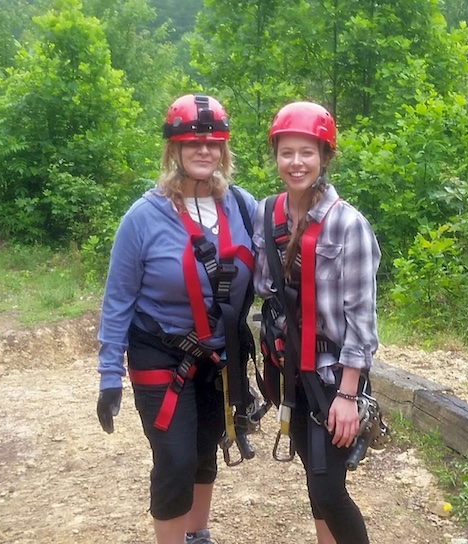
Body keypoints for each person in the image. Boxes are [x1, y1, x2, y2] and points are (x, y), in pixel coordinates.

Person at [96, 93, 257, 544]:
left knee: (205, 449)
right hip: (160, 354)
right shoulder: (143, 218)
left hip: (218, 356)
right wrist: (109, 375)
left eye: (212, 142)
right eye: (191, 142)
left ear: (223, 150)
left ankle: (197, 535)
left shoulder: (242, 207)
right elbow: (118, 300)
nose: (203, 150)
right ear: (174, 150)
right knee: (175, 460)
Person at [253, 101, 381, 544]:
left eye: (307, 152)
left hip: (331, 377)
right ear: (275, 157)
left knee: (329, 489)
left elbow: (361, 320)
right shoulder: (267, 215)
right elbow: (265, 290)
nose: (296, 162)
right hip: (290, 372)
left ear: (324, 157)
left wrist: (348, 394)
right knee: (315, 481)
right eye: (287, 152)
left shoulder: (349, 226)